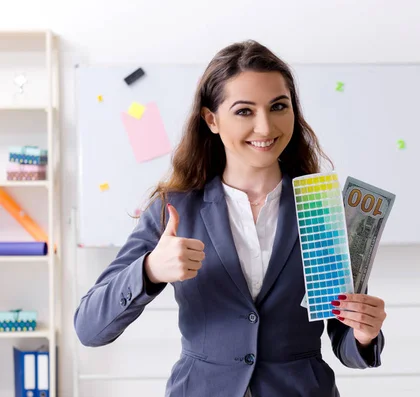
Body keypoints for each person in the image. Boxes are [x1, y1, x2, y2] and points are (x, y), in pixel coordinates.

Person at [74, 40, 387, 397]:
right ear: (211, 119)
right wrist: (148, 270)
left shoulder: (322, 208)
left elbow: (345, 339)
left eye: (278, 106)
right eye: (244, 111)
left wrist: (364, 334)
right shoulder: (174, 209)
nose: (265, 126)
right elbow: (89, 328)